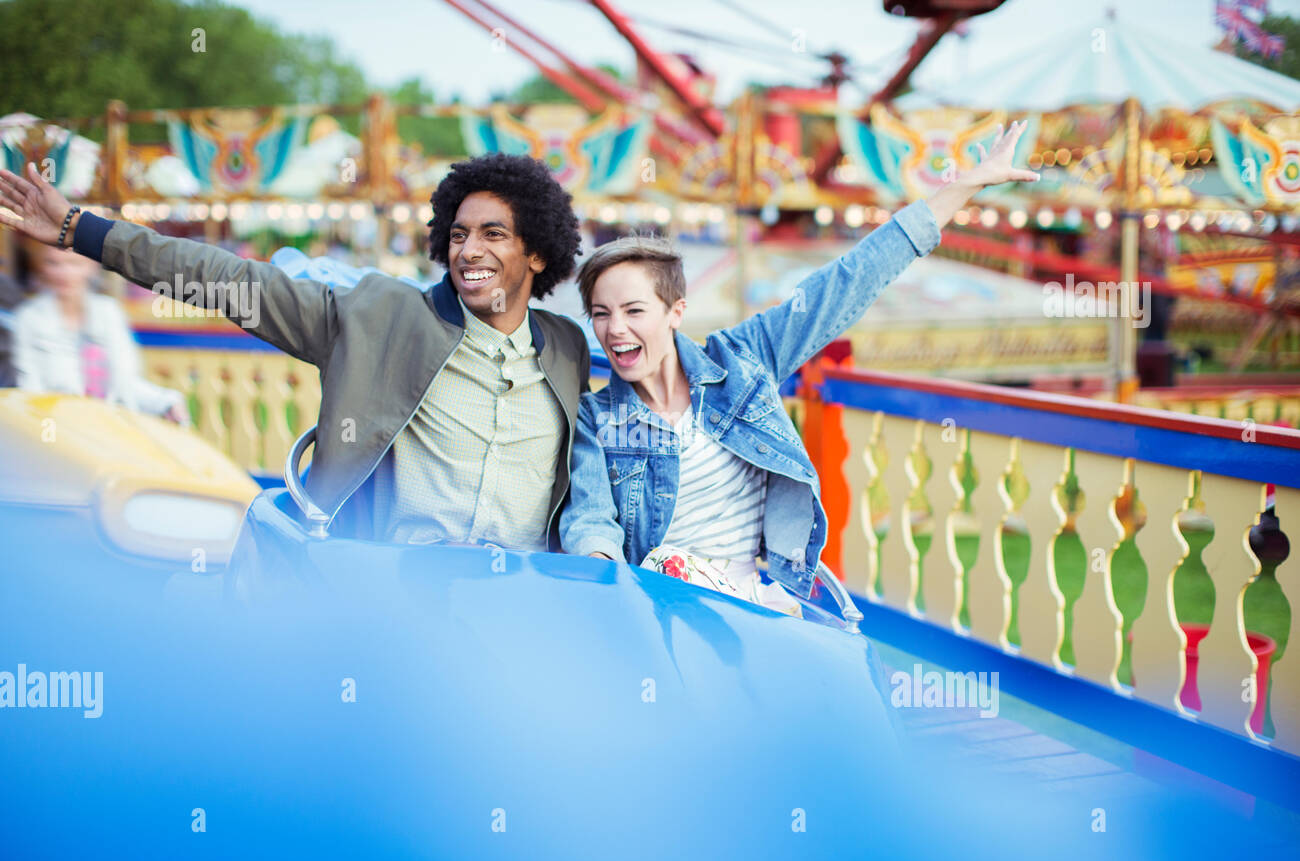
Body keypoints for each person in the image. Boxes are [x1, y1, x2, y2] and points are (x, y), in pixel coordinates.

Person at [561, 121, 1038, 611]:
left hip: (755, 603)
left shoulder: (742, 361)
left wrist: (964, 186)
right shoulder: (597, 420)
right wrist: (607, 579)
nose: (614, 328)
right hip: (661, 608)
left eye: (633, 311)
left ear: (675, 312)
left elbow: (849, 280)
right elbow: (591, 519)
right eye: (601, 314)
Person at [0, 154, 589, 547]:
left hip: (521, 603)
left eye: (494, 235)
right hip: (392, 593)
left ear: (536, 254)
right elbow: (224, 279)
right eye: (459, 234)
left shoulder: (566, 350)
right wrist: (82, 230)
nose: (468, 250)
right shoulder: (376, 315)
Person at [6, 242, 188, 421]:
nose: (64, 273)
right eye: (53, 263)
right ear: (42, 267)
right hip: (57, 428)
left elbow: (126, 383)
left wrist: (168, 402)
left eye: (73, 264)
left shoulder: (108, 312)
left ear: (91, 267)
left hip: (109, 426)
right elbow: (30, 389)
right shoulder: (29, 318)